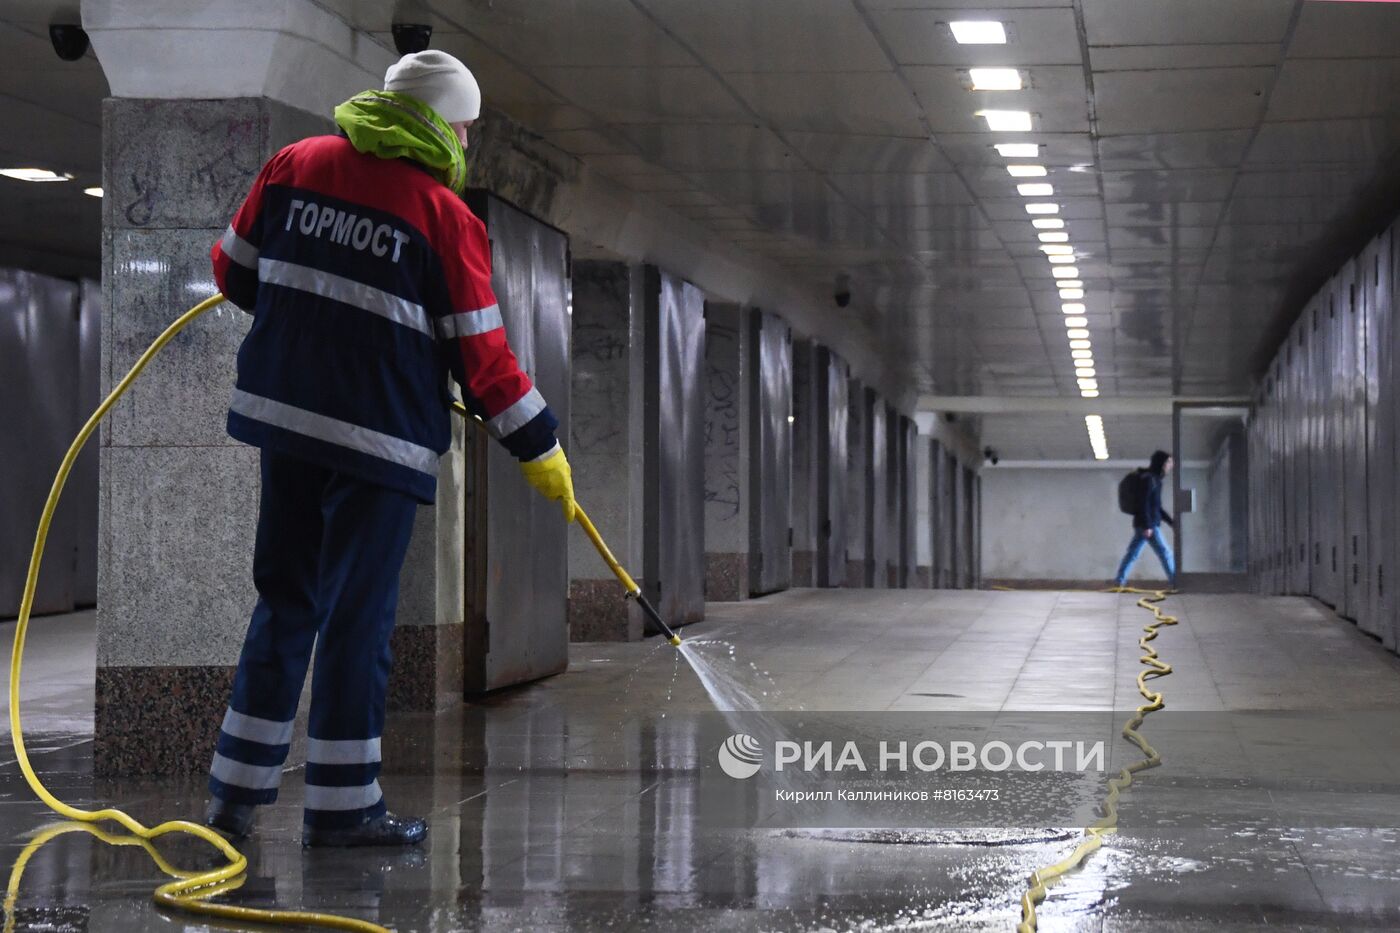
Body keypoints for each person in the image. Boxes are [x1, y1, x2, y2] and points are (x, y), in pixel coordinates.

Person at [204, 51, 577, 847]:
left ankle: (234, 792)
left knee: (285, 598)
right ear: (441, 123)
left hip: (287, 426)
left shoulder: (295, 163)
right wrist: (541, 446)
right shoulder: (443, 216)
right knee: (356, 617)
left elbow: (232, 273)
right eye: (466, 128)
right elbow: (484, 359)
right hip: (377, 443)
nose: (467, 142)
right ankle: (342, 807)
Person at [1113, 450, 1177, 590]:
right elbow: (1143, 503)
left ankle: (1119, 581)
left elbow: (1156, 507)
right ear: (1162, 463)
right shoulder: (1149, 480)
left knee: (1133, 553)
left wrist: (1171, 522)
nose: (1171, 466)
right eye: (1169, 462)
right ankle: (1175, 582)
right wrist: (1148, 525)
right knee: (1165, 553)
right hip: (1149, 525)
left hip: (1147, 524)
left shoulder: (1154, 480)